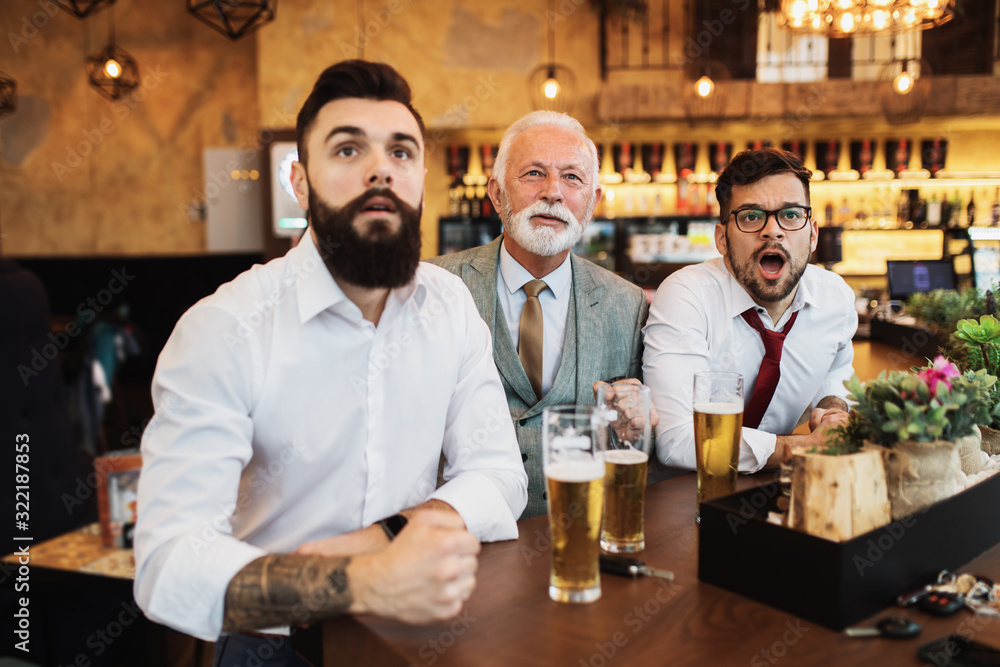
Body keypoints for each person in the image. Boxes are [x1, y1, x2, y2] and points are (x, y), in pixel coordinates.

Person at [133, 60, 528, 664]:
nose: (379, 169)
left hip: (418, 629)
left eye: (401, 152)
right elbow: (167, 563)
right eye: (347, 149)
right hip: (273, 642)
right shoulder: (224, 328)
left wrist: (384, 539)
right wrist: (365, 581)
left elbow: (499, 476)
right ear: (300, 180)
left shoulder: (448, 307)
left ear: (422, 178)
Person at [429, 111, 651, 519]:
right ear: (496, 194)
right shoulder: (435, 286)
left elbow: (629, 446)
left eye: (572, 178)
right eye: (533, 174)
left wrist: (636, 427)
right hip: (465, 536)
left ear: (593, 202)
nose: (553, 193)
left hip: (581, 534)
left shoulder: (627, 303)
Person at [643, 147, 857, 472]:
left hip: (776, 496)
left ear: (813, 234)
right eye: (751, 216)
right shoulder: (687, 296)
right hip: (686, 496)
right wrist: (801, 449)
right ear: (722, 239)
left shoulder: (835, 299)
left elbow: (835, 371)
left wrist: (832, 411)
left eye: (791, 214)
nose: (772, 230)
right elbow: (678, 440)